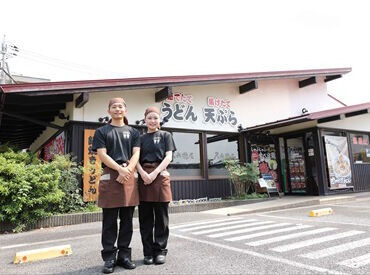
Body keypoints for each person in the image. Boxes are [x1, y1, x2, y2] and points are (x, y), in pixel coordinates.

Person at [92, 98, 140, 274]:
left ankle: (125, 256)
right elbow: (101, 154)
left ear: (125, 110)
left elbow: (136, 153)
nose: (117, 109)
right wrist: (119, 169)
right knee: (109, 221)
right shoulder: (102, 131)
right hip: (110, 176)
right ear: (109, 110)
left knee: (127, 221)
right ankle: (109, 258)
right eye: (114, 107)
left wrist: (126, 170)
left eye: (120, 107)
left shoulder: (134, 132)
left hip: (128, 175)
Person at [136, 106, 176, 265]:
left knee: (161, 218)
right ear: (144, 120)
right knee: (145, 219)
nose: (152, 121)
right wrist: (143, 174)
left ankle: (160, 251)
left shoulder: (166, 135)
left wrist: (154, 173)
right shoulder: (140, 138)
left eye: (155, 118)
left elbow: (169, 157)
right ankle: (147, 253)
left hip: (160, 176)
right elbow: (135, 159)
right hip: (143, 177)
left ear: (160, 120)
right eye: (149, 118)